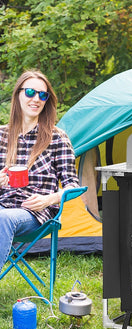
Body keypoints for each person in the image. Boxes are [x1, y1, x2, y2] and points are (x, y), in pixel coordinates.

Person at [0, 69, 79, 271]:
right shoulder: (2, 135)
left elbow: (73, 186)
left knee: (3, 219)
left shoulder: (56, 138)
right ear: (18, 94)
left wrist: (49, 199)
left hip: (35, 214)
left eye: (42, 95)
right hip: (4, 204)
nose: (36, 99)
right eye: (30, 93)